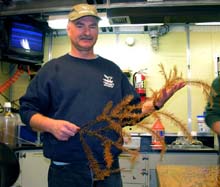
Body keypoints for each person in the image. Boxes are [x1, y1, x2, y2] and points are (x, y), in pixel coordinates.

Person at [19, 3, 185, 187]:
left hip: (108, 171)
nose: (87, 32)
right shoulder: (52, 69)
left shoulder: (111, 70)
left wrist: (156, 103)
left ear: (98, 30)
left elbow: (130, 114)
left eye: (92, 26)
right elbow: (27, 110)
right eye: (80, 25)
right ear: (68, 29)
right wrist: (50, 125)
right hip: (67, 172)